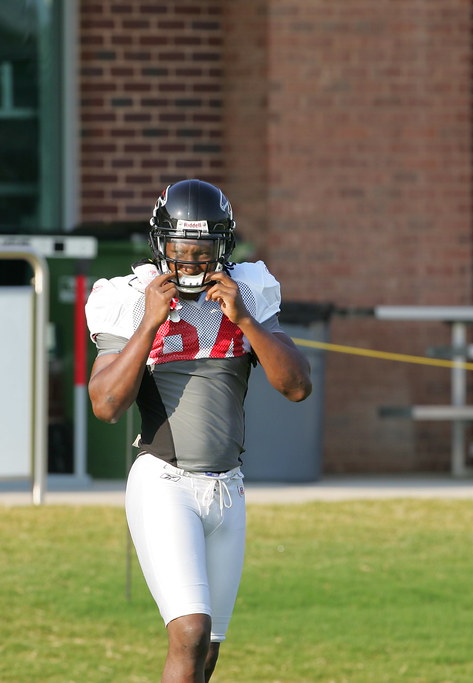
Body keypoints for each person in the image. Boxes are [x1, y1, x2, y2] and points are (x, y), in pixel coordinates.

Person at [85, 178, 312, 682]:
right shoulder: (129, 298)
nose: (189, 262)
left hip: (228, 489)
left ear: (223, 247)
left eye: (202, 251)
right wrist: (149, 324)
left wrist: (246, 321)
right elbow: (104, 405)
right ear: (160, 245)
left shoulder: (246, 290)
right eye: (179, 250)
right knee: (189, 631)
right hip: (165, 483)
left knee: (205, 652)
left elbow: (296, 386)